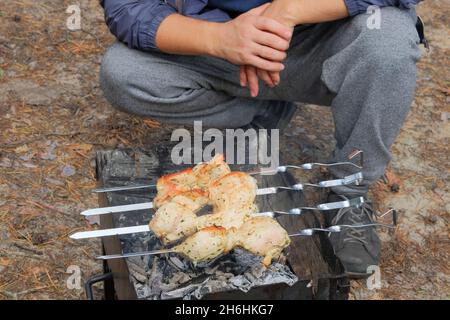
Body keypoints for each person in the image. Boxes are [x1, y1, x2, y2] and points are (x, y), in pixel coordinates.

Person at [99, 0, 423, 278]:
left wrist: (288, 9)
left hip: (319, 43)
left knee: (389, 40)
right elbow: (128, 7)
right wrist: (220, 38)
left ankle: (348, 194)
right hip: (221, 47)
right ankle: (263, 106)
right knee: (124, 72)